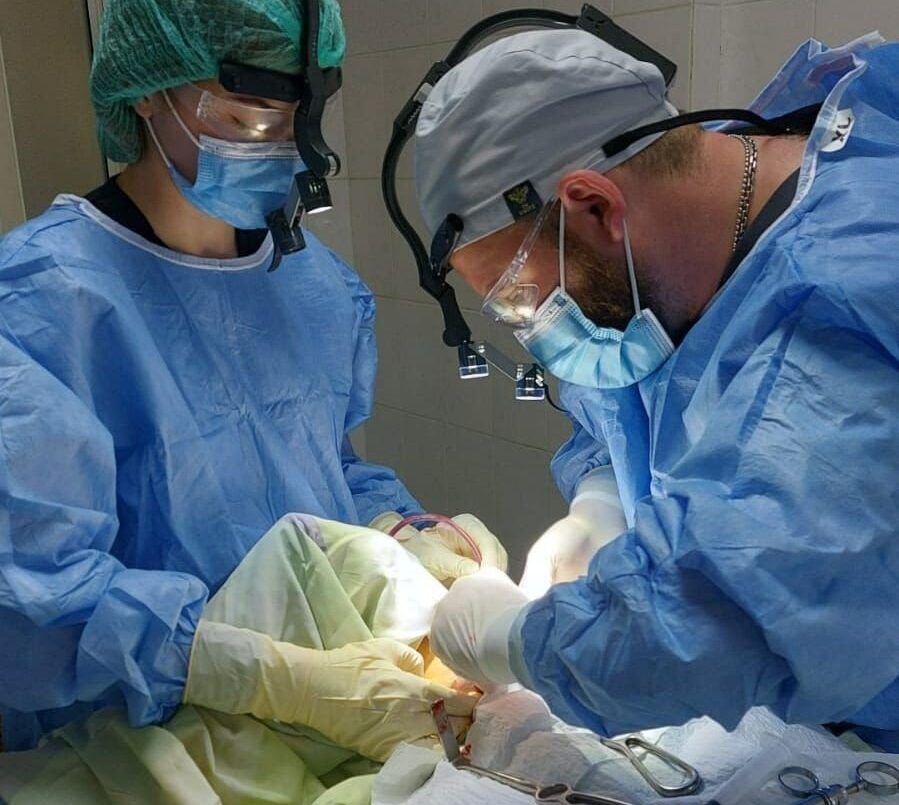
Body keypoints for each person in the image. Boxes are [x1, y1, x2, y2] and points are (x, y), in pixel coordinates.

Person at [0, 0, 504, 755]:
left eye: (300, 122)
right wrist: (266, 675)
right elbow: (34, 601)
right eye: (251, 119)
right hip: (132, 741)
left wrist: (399, 532)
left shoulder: (314, 285)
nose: (286, 151)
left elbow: (325, 465)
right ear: (149, 91)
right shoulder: (38, 302)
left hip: (329, 706)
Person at [413, 28, 899, 750]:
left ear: (594, 205)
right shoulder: (686, 227)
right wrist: (600, 500)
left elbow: (722, 617)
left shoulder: (850, 294)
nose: (534, 331)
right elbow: (627, 402)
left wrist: (511, 642)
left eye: (523, 300)